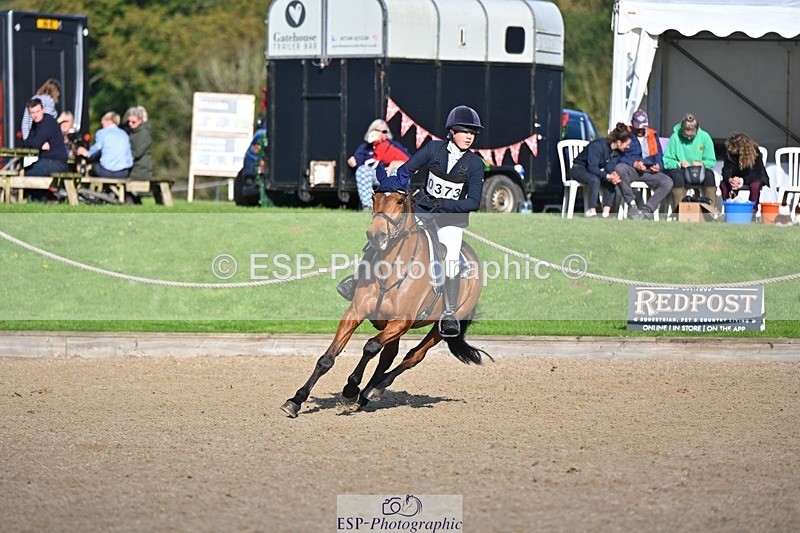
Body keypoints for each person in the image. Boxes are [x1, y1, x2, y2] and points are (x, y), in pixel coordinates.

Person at [337, 105, 485, 337]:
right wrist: (395, 188)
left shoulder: (475, 164)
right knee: (383, 238)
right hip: (423, 209)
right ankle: (356, 281)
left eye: (472, 133)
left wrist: (445, 204)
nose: (469, 136)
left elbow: (474, 201)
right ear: (452, 131)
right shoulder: (434, 149)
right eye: (464, 131)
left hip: (451, 220)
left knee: (452, 259)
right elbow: (406, 171)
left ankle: (449, 313)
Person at [615, 109, 673, 220]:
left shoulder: (652, 135)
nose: (641, 131)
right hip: (632, 170)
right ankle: (631, 205)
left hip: (649, 170)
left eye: (643, 128)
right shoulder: (625, 133)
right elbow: (619, 156)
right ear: (632, 123)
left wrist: (658, 166)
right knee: (620, 168)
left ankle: (646, 211)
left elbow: (658, 155)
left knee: (667, 182)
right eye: (638, 128)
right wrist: (634, 163)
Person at [569, 123, 632, 218]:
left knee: (611, 182)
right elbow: (592, 167)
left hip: (594, 170)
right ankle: (592, 211)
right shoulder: (597, 146)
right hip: (579, 168)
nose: (628, 147)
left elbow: (609, 168)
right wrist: (606, 175)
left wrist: (612, 176)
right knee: (594, 179)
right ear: (619, 142)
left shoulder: (617, 152)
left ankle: (606, 213)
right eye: (627, 144)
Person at [347, 119, 410, 210]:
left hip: (391, 174)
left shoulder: (393, 145)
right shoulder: (365, 147)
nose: (381, 134)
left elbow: (410, 161)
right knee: (362, 169)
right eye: (378, 131)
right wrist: (353, 160)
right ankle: (368, 206)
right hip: (375, 174)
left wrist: (393, 164)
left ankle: (394, 206)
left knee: (398, 171)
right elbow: (357, 161)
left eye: (384, 131)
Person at [662, 113, 717, 209]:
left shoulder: (705, 137)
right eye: (686, 135)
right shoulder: (675, 137)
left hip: (699, 170)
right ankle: (680, 210)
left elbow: (711, 160)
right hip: (681, 170)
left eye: (691, 136)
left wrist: (702, 163)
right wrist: (678, 164)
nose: (688, 138)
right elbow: (666, 160)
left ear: (696, 130)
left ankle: (710, 210)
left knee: (709, 175)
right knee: (677, 176)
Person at [720, 132, 769, 211]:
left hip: (754, 177)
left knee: (755, 186)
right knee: (723, 184)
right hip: (736, 176)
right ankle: (728, 209)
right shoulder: (730, 153)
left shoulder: (754, 152)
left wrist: (742, 181)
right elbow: (726, 169)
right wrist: (730, 179)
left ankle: (752, 210)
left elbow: (756, 173)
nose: (730, 149)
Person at [77, 111, 133, 178]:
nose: (102, 124)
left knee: (94, 167)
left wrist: (87, 153)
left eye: (103, 122)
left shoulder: (102, 133)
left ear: (109, 121)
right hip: (123, 172)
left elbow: (97, 148)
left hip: (106, 171)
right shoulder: (124, 134)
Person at [21, 98, 68, 177]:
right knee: (22, 172)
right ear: (29, 113)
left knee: (27, 175)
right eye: (32, 112)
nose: (35, 115)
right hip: (46, 160)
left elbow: (35, 143)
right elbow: (27, 142)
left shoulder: (48, 122)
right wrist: (40, 145)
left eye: (38, 111)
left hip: (56, 162)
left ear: (43, 110)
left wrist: (37, 144)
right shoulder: (35, 124)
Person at [123, 105, 153, 180]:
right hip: (133, 169)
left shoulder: (143, 134)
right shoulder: (131, 132)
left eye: (133, 122)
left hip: (141, 171)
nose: (130, 124)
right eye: (129, 121)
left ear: (140, 121)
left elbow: (137, 153)